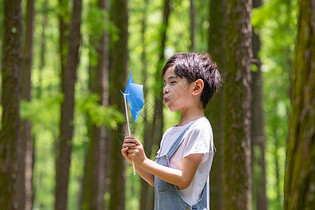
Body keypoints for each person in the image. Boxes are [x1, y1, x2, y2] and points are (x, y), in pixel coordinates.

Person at [121, 52, 222, 210]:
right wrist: (137, 161)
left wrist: (145, 161)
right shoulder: (169, 134)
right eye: (164, 84)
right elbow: (158, 181)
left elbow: (183, 179)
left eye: (172, 82)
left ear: (196, 87)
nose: (165, 90)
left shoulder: (200, 128)